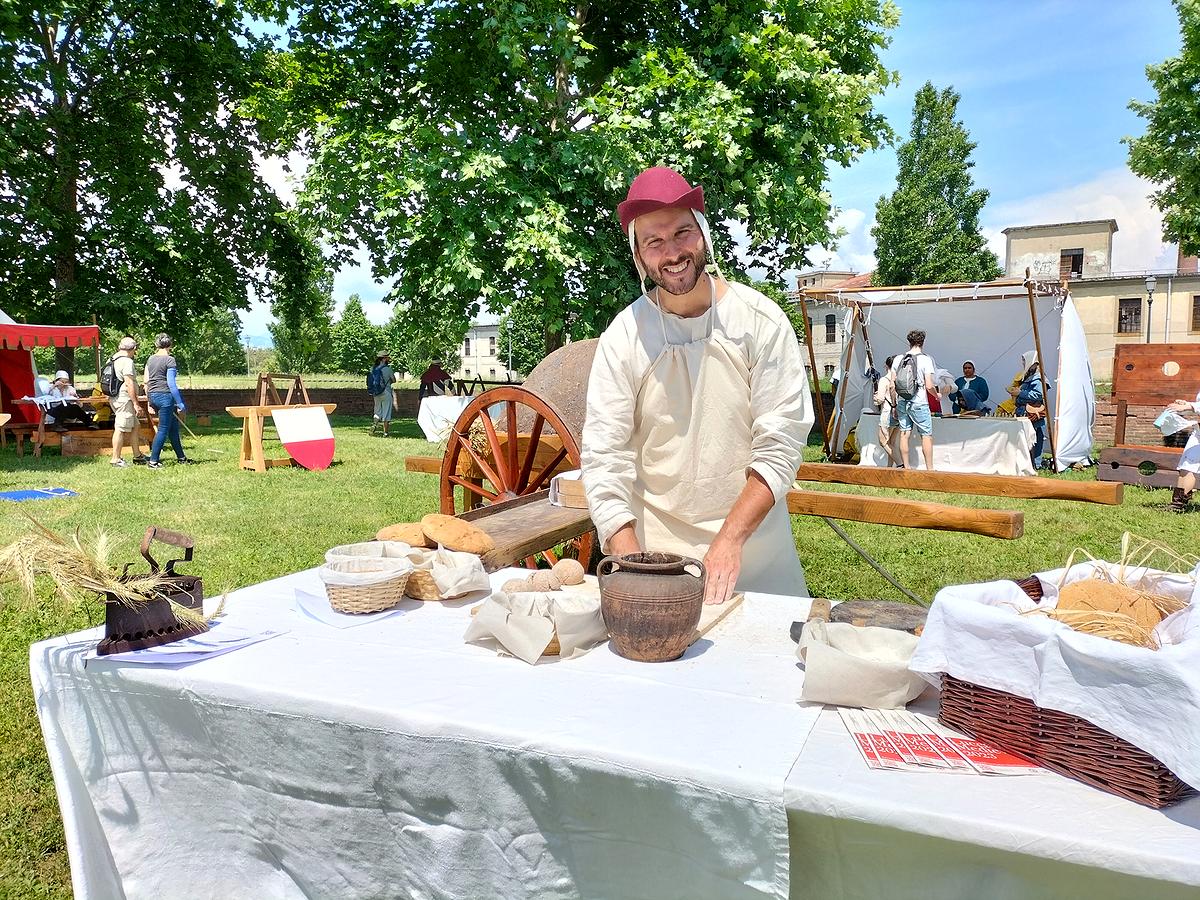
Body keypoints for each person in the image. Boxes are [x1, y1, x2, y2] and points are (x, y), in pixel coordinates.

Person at [581, 166, 813, 604]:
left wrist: (728, 543)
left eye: (682, 233)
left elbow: (780, 444)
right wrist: (629, 560)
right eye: (654, 241)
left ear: (704, 234)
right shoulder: (625, 335)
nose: (672, 252)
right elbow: (605, 454)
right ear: (639, 255)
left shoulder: (759, 321)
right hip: (657, 555)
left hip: (754, 550)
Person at [143, 334, 195, 468]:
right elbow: (171, 383)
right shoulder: (170, 360)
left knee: (173, 428)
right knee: (163, 430)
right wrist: (180, 402)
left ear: (156, 345)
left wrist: (149, 400)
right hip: (165, 396)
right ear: (170, 346)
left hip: (153, 395)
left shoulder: (150, 359)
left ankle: (181, 458)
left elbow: (146, 381)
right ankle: (153, 462)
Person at [889, 330, 938, 470]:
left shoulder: (898, 359)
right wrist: (936, 395)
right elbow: (929, 385)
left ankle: (907, 467)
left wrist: (893, 405)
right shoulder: (926, 359)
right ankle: (930, 469)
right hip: (919, 402)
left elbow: (892, 385)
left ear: (908, 342)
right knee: (926, 436)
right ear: (923, 342)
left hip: (902, 401)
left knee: (904, 434)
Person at [109, 336, 147, 468]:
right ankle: (115, 459)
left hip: (115, 397)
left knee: (135, 426)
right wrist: (136, 403)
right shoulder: (126, 361)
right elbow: (129, 383)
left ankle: (137, 455)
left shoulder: (113, 358)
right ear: (133, 349)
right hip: (124, 399)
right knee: (121, 427)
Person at [1009, 350, 1046, 469]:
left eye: (1025, 360)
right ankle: (1028, 462)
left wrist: (1021, 392)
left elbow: (1038, 394)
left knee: (1035, 438)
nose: (1024, 363)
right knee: (1025, 438)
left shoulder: (1038, 378)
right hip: (1023, 411)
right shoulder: (1029, 377)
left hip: (1032, 413)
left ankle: (1036, 463)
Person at [1167, 390, 1200, 513]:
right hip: (1199, 432)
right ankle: (1178, 503)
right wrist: (1186, 405)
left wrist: (1187, 406)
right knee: (1186, 464)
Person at [874, 356, 901, 467]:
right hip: (900, 412)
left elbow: (880, 399)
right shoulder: (900, 379)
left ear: (886, 365)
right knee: (892, 443)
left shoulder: (884, 380)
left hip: (888, 412)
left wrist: (875, 398)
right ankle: (889, 468)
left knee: (882, 440)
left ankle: (900, 464)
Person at [369, 351, 395, 435]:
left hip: (376, 393)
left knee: (377, 411)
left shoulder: (372, 369)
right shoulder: (388, 369)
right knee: (386, 412)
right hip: (386, 392)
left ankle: (374, 425)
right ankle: (385, 433)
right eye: (387, 357)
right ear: (384, 359)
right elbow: (394, 380)